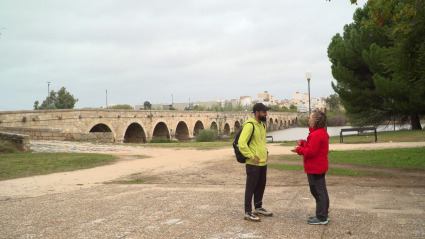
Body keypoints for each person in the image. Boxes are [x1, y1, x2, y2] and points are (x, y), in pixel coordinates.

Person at [290, 110, 330, 225]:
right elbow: (313, 146)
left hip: (315, 167)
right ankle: (322, 214)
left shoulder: (316, 134)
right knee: (321, 190)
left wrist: (298, 150)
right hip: (318, 166)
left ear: (316, 120)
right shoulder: (318, 132)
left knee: (318, 191)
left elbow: (311, 152)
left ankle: (322, 217)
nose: (309, 119)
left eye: (310, 117)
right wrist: (303, 143)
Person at [239, 103, 273, 222]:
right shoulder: (249, 125)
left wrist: (266, 152)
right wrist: (251, 156)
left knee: (261, 185)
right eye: (264, 112)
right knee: (251, 187)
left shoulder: (262, 126)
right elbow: (241, 143)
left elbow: (261, 142)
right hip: (253, 162)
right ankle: (248, 212)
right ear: (257, 113)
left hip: (262, 162)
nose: (266, 114)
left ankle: (258, 207)